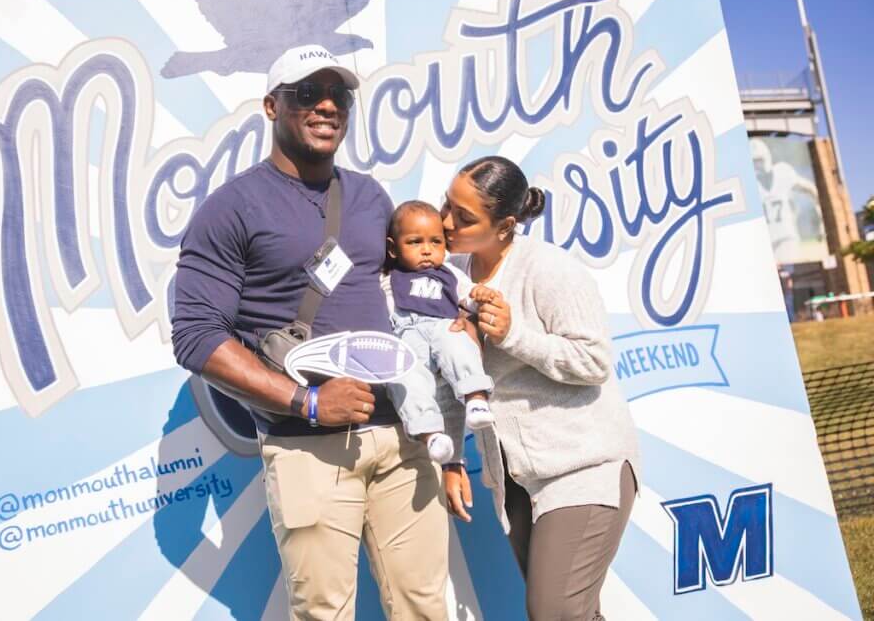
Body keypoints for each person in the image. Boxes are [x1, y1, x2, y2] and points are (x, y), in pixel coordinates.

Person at [170, 44, 448, 620]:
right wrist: (310, 401)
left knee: (425, 608)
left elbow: (411, 296)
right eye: (307, 94)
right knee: (325, 613)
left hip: (400, 438)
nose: (326, 106)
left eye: (339, 95)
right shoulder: (231, 209)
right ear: (272, 106)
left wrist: (466, 310)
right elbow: (196, 337)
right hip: (308, 447)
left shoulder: (371, 196)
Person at [439, 156, 640, 621]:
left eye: (464, 218)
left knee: (555, 613)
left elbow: (593, 361)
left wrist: (514, 336)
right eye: (446, 206)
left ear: (506, 225)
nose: (447, 223)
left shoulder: (549, 270)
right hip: (514, 482)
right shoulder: (452, 276)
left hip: (583, 468)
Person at [383, 200, 495, 465]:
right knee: (406, 378)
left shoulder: (450, 274)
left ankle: (476, 399)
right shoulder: (387, 278)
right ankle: (431, 434)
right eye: (414, 242)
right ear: (392, 248)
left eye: (435, 242)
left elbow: (469, 296)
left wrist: (479, 296)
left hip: (443, 325)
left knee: (459, 345)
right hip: (407, 336)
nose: (426, 251)